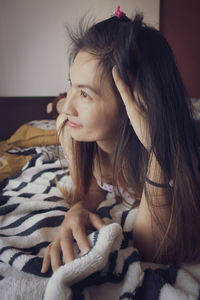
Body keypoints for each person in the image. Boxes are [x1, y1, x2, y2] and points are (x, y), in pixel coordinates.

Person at [41, 7, 200, 273]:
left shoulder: (175, 154)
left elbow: (152, 250)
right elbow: (93, 190)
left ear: (133, 101)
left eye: (85, 94)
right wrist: (77, 209)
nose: (71, 107)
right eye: (71, 85)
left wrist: (155, 149)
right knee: (59, 116)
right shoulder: (72, 134)